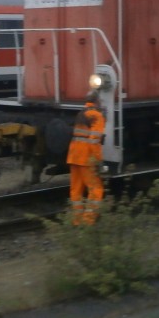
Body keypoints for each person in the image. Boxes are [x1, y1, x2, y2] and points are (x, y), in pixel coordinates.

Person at [66, 92, 106, 225]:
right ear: (97, 101)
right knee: (96, 189)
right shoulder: (97, 116)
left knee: (76, 189)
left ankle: (77, 220)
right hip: (86, 158)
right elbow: (94, 141)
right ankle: (88, 221)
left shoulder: (81, 114)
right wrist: (98, 161)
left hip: (73, 156)